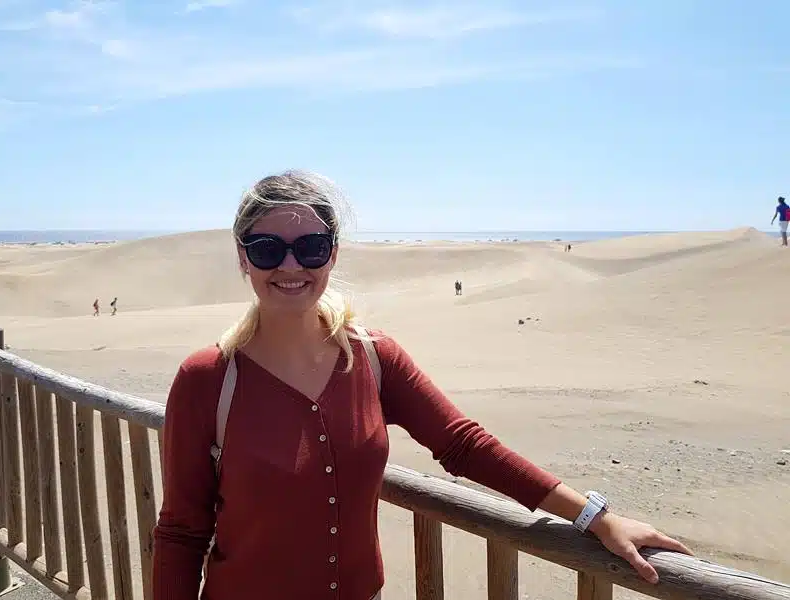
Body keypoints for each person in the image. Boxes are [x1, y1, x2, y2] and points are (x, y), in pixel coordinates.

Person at [152, 170, 692, 600]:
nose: (291, 265)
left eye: (311, 246)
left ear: (333, 253)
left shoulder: (372, 358)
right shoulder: (208, 379)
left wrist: (594, 516)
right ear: (243, 257)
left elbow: (464, 445)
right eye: (268, 248)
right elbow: (181, 532)